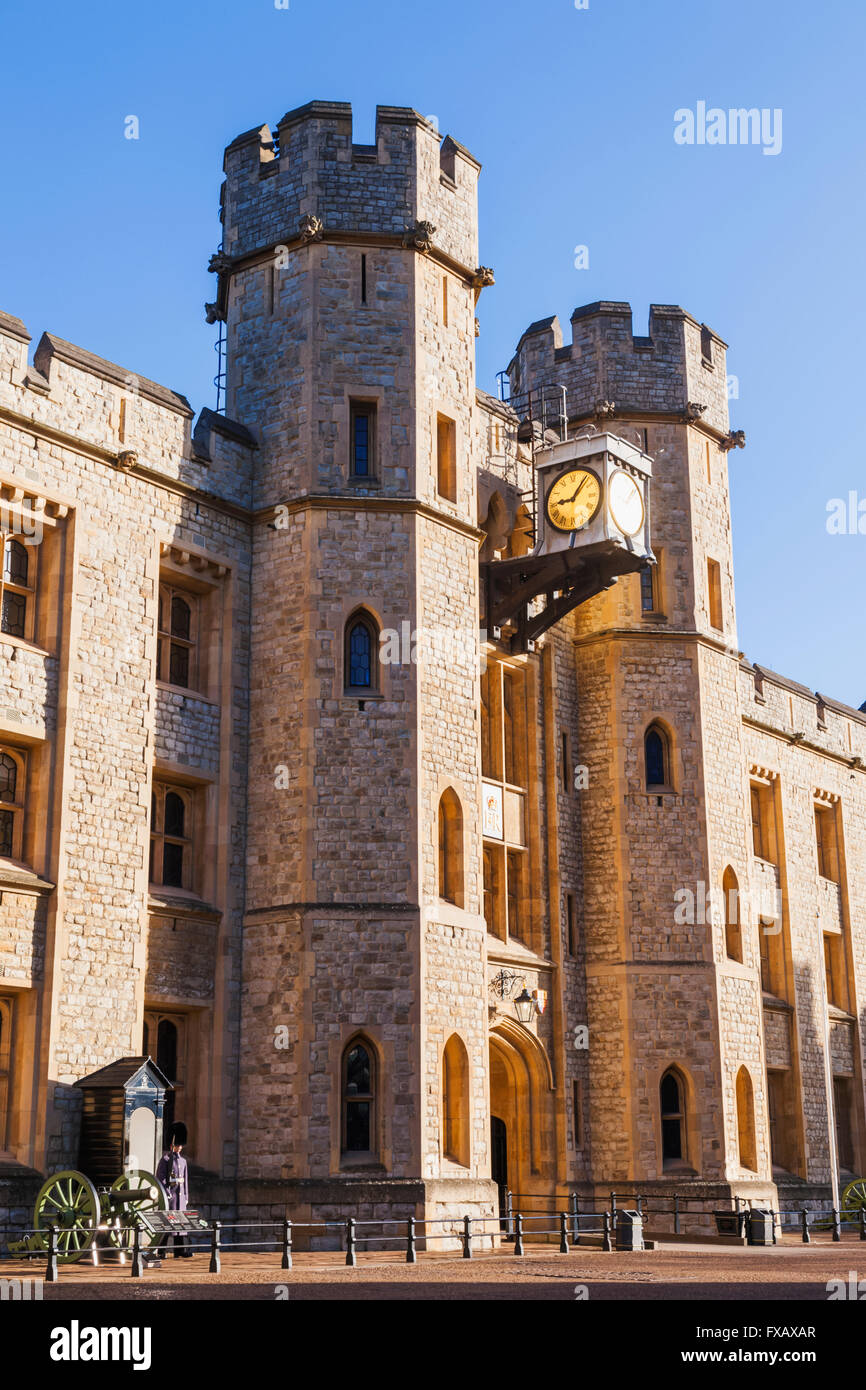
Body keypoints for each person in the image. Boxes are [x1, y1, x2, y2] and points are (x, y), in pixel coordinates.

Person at [155, 1121, 193, 1258]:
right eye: (178, 1144)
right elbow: (161, 1178)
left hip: (180, 1197)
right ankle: (161, 1251)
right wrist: (167, 1193)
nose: (180, 1147)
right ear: (172, 1145)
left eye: (181, 1144)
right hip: (171, 1196)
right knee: (167, 1224)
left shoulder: (183, 1161)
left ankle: (179, 1250)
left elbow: (186, 1180)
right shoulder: (165, 1159)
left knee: (180, 1225)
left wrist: (186, 1196)